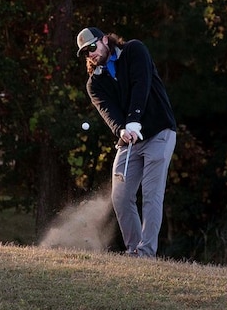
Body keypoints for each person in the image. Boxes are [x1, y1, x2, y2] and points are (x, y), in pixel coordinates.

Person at [76, 26, 177, 257]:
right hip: (129, 141)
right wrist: (122, 129)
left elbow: (142, 84)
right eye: (85, 52)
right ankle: (134, 250)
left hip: (159, 132)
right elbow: (108, 112)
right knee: (120, 196)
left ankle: (146, 253)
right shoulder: (95, 84)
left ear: (104, 40)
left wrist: (134, 119)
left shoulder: (134, 50)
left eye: (92, 47)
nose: (90, 54)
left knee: (151, 195)